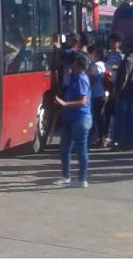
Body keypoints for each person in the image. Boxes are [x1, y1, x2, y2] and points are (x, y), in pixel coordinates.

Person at [53, 52, 92, 188]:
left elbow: (83, 101)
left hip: (80, 119)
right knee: (64, 149)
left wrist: (64, 104)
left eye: (74, 62)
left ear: (79, 66)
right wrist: (62, 110)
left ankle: (82, 179)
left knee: (81, 149)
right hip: (70, 118)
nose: (71, 65)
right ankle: (65, 176)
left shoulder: (81, 78)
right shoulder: (74, 77)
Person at [112, 39, 133, 151]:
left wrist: (117, 92)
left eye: (126, 46)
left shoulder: (127, 60)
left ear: (130, 48)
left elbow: (125, 77)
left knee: (122, 119)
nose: (123, 47)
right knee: (127, 118)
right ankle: (128, 142)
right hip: (129, 93)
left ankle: (123, 143)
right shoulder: (131, 60)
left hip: (124, 93)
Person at [104, 32, 125, 145]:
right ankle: (106, 136)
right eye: (110, 41)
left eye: (113, 41)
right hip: (105, 84)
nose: (111, 43)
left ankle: (115, 138)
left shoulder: (121, 56)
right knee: (106, 112)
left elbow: (122, 71)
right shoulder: (106, 55)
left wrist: (116, 68)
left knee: (114, 113)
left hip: (114, 85)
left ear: (119, 43)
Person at [88, 45, 108, 149]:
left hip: (96, 94)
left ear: (98, 54)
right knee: (101, 118)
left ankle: (101, 140)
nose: (92, 54)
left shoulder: (95, 65)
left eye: (94, 52)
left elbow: (90, 80)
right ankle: (102, 139)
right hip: (102, 93)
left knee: (98, 118)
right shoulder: (102, 64)